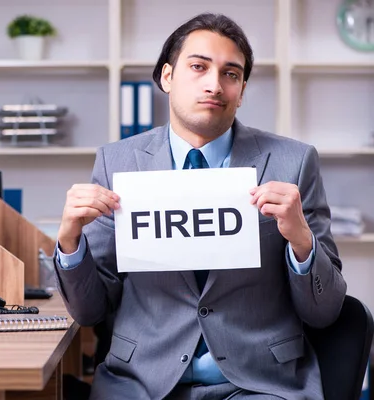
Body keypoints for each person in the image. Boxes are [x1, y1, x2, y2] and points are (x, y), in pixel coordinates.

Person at [53, 12, 347, 400]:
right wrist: (70, 242)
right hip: (141, 383)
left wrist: (302, 243)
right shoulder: (117, 162)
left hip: (260, 384)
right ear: (167, 77)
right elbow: (90, 311)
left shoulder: (294, 163)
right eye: (198, 67)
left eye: (231, 74)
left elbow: (324, 311)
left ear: (241, 91)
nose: (215, 85)